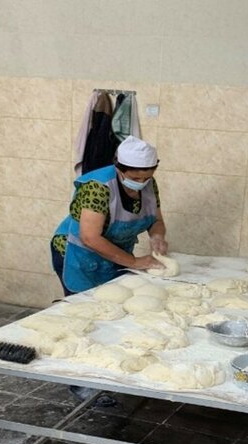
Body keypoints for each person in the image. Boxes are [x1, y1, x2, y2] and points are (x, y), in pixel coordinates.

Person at [50, 136, 169, 404]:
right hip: (78, 256)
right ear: (118, 167)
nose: (140, 183)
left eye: (146, 177)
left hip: (116, 255)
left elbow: (157, 220)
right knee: (86, 320)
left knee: (114, 316)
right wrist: (136, 262)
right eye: (135, 178)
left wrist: (157, 237)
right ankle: (81, 383)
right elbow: (91, 237)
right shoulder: (97, 186)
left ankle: (109, 370)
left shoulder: (149, 185)